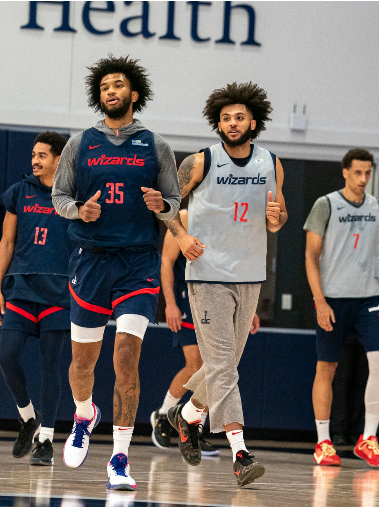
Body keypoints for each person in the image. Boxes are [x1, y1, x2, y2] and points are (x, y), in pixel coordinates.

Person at [52, 55, 180, 491]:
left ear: (134, 94)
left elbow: (175, 203)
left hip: (138, 263)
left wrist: (161, 206)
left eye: (119, 84)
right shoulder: (80, 143)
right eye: (105, 85)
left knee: (126, 355)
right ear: (99, 95)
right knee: (81, 364)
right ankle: (84, 413)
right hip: (90, 260)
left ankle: (121, 458)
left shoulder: (157, 146)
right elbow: (59, 197)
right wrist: (78, 210)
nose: (111, 90)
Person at [164, 82, 286, 487]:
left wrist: (274, 219)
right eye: (225, 118)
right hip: (208, 274)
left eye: (239, 117)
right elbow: (167, 206)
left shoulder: (271, 163)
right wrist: (181, 238)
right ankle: (241, 453)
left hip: (250, 275)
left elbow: (277, 219)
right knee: (221, 367)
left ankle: (189, 415)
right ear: (218, 124)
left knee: (225, 367)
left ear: (253, 122)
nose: (232, 124)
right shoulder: (200, 162)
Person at [304, 148, 379, 468]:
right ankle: (323, 442)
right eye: (358, 172)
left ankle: (368, 439)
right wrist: (320, 301)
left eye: (368, 173)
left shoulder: (378, 207)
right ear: (345, 172)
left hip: (369, 298)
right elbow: (311, 256)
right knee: (327, 368)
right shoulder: (325, 205)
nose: (363, 179)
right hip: (333, 299)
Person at [0, 132, 72, 466]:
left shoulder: (73, 196)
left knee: (51, 367)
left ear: (58, 159)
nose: (35, 160)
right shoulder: (20, 192)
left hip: (60, 293)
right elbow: (6, 243)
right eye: (33, 155)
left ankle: (47, 440)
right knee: (8, 356)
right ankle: (27, 416)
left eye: (42, 155)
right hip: (21, 290)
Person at [150, 209, 260, 455]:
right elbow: (166, 261)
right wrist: (169, 303)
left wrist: (247, 306)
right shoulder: (186, 216)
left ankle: (193, 425)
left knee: (216, 366)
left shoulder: (227, 216)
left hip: (219, 296)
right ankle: (162, 416)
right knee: (196, 363)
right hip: (187, 293)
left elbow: (235, 266)